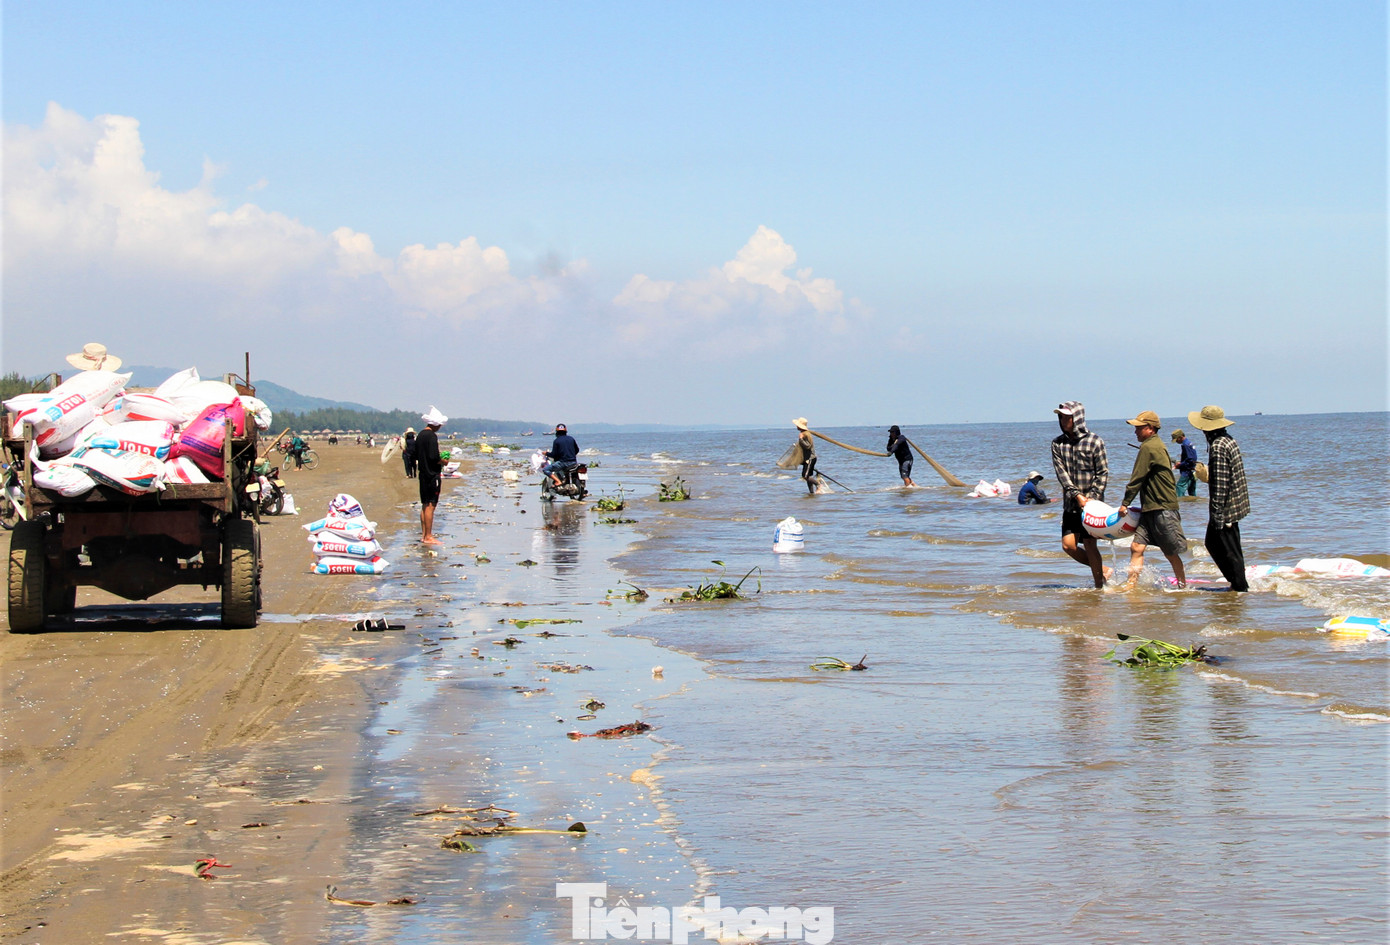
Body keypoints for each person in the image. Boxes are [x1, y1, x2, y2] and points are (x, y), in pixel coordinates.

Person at [1118, 410, 1187, 588]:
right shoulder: (1152, 445)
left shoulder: (1149, 447)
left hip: (1162, 508)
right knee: (1137, 547)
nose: (1135, 432)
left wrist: (1125, 504)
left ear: (1150, 428)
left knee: (1170, 552)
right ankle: (1130, 586)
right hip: (1149, 508)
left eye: (1138, 428)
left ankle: (1182, 587)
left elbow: (1137, 478)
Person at [1190, 405, 1250, 591]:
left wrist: (1217, 515)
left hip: (1226, 509)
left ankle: (1239, 587)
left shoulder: (1217, 446)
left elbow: (1221, 485)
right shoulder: (1229, 440)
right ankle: (1237, 584)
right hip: (1236, 503)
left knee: (1225, 549)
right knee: (1230, 548)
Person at [1050, 401, 1110, 588]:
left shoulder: (1095, 441)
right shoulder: (1057, 443)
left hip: (1093, 506)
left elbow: (1102, 473)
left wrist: (1091, 498)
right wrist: (1077, 496)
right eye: (1060, 416)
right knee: (1068, 546)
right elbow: (1062, 474)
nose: (1063, 420)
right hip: (1071, 504)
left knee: (1091, 545)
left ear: (1077, 417)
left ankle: (1099, 585)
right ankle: (1105, 570)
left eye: (1067, 417)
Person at [417, 407, 446, 545]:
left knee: (424, 505)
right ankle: (428, 536)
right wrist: (444, 461)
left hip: (423, 473)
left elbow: (418, 454)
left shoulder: (421, 435)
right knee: (430, 505)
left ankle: (424, 535)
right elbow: (434, 456)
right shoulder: (431, 436)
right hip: (431, 474)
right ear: (436, 424)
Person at [545, 423, 580, 489]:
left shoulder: (556, 441)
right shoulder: (571, 439)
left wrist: (546, 453)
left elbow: (554, 454)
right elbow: (577, 450)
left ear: (557, 432)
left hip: (563, 463)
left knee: (546, 470)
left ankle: (558, 481)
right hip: (573, 462)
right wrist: (571, 455)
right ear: (565, 432)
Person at [793, 418, 818, 494]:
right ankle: (811, 493)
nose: (796, 426)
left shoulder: (805, 434)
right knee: (808, 477)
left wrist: (801, 439)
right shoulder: (804, 433)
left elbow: (808, 446)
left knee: (805, 476)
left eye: (797, 425)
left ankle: (819, 485)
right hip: (807, 459)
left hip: (810, 458)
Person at [1171, 429, 1198, 496]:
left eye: (1176, 439)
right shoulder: (1189, 443)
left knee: (1179, 487)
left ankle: (1180, 504)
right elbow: (1193, 457)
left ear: (1180, 437)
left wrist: (1180, 465)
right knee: (1192, 491)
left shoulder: (1185, 445)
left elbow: (1190, 458)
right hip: (1192, 470)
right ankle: (1192, 505)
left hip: (1187, 471)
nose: (1176, 441)